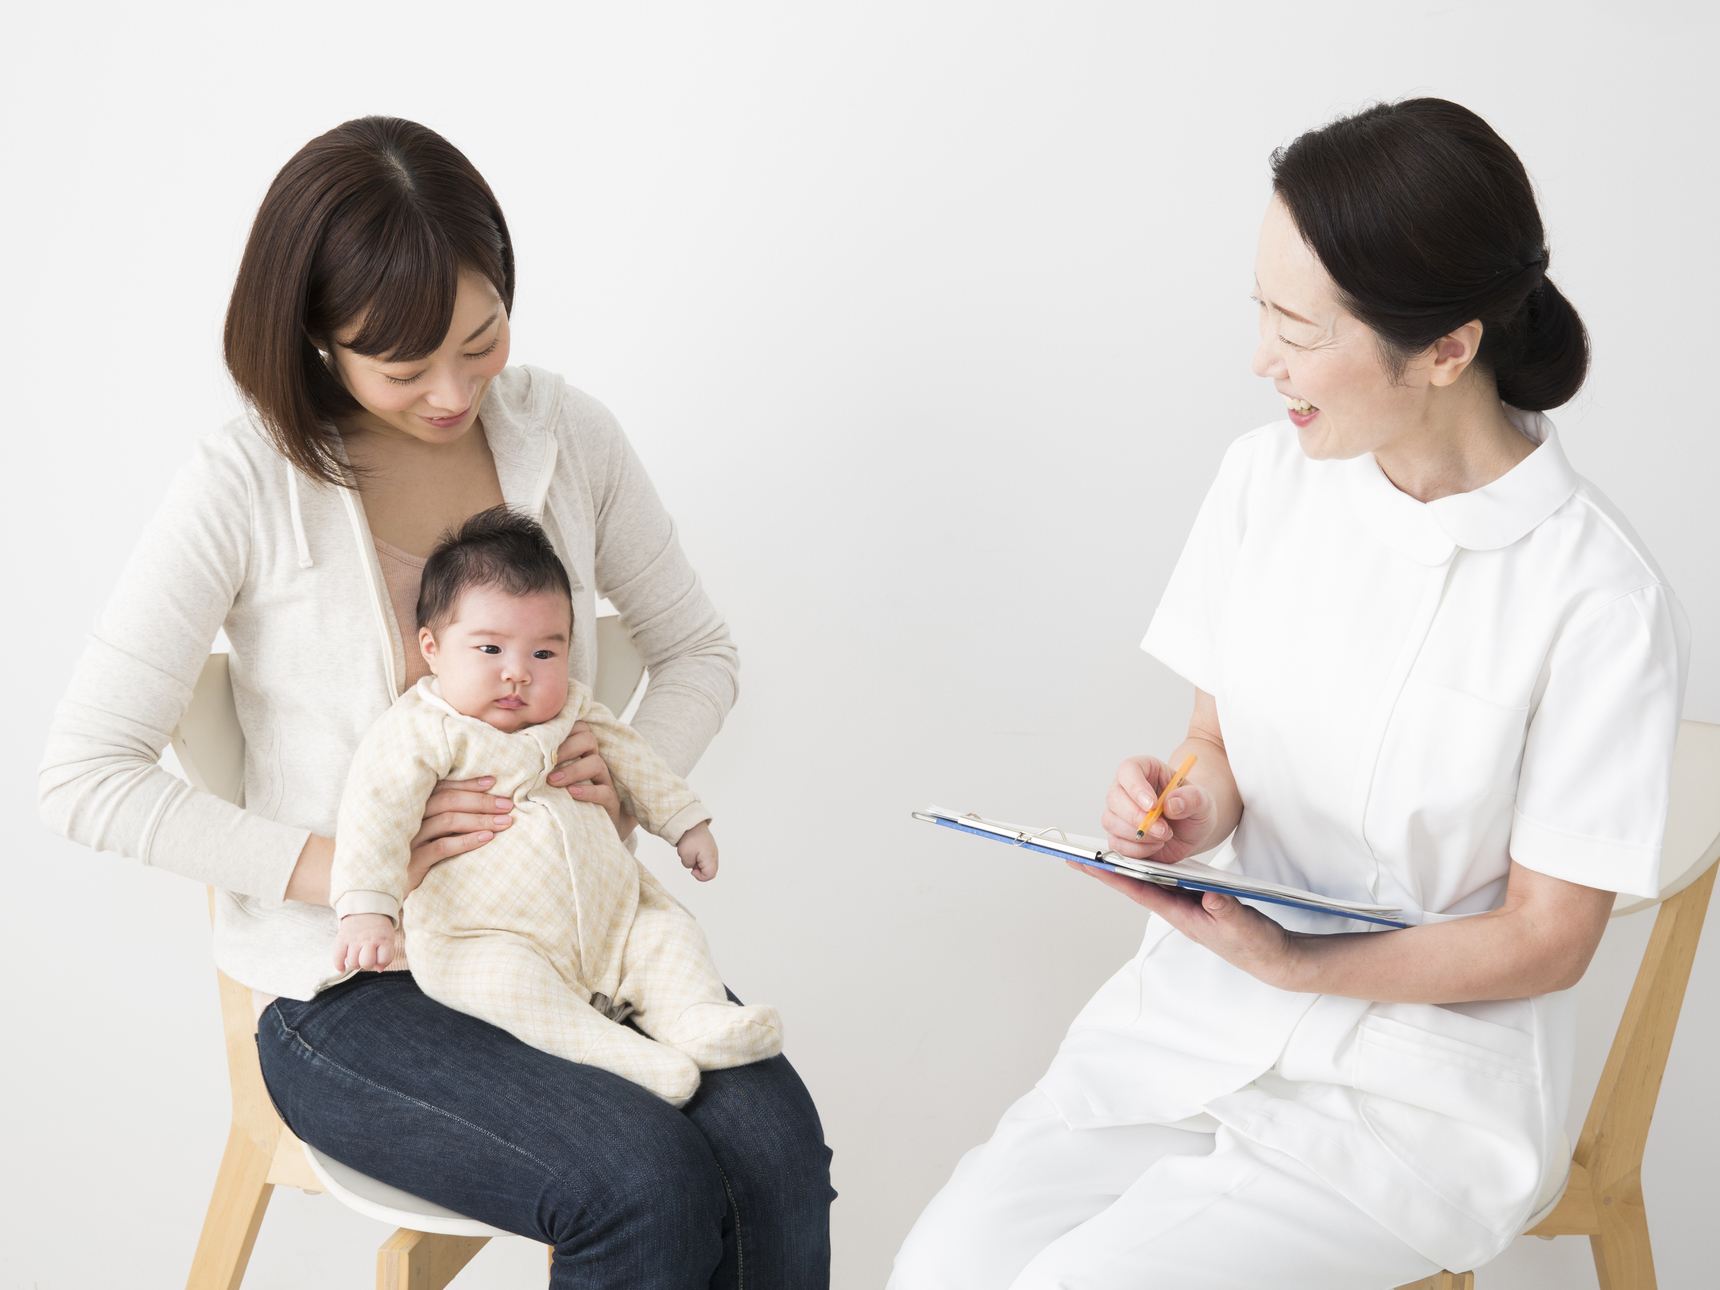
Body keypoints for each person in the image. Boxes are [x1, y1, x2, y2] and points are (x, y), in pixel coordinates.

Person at [889, 98, 1688, 1288]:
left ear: (1446, 351)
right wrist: (1185, 804)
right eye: (1258, 311)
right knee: (939, 1271)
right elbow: (1214, 735)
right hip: (1190, 1026)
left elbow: (1546, 936)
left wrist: (1304, 968)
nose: (1261, 359)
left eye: (1297, 328)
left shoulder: (1595, 594)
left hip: (1413, 1096)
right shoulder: (1265, 481)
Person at [39, 115, 832, 1287]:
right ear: (314, 340)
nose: (454, 393)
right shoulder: (243, 481)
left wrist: (618, 775)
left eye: (483, 339)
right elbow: (82, 776)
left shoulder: (568, 435)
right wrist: (355, 867)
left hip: (573, 937)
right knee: (641, 1179)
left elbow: (698, 653)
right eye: (404, 368)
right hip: (350, 987)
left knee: (770, 1146)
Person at [330, 506, 783, 1106]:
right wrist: (366, 909)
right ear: (432, 648)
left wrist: (684, 822)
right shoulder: (421, 731)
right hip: (485, 935)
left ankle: (694, 1019)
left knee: (667, 933)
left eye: (545, 654)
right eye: (490, 648)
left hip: (612, 919)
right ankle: (620, 1055)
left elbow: (635, 758)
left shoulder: (572, 707)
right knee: (506, 985)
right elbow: (375, 817)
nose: (517, 673)